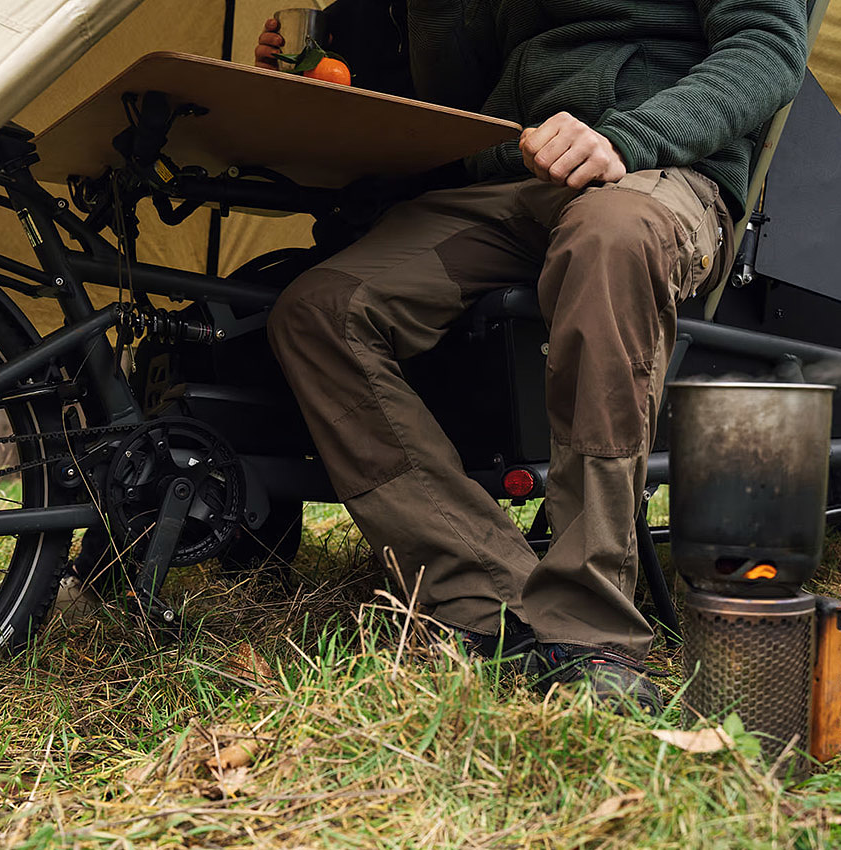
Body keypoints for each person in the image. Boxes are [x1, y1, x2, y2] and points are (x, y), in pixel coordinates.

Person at [256, 0, 809, 712]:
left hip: (661, 171)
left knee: (610, 239)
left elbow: (768, 48)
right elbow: (454, 87)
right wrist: (328, 60)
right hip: (511, 177)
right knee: (319, 310)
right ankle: (486, 598)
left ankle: (587, 627)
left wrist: (629, 138)